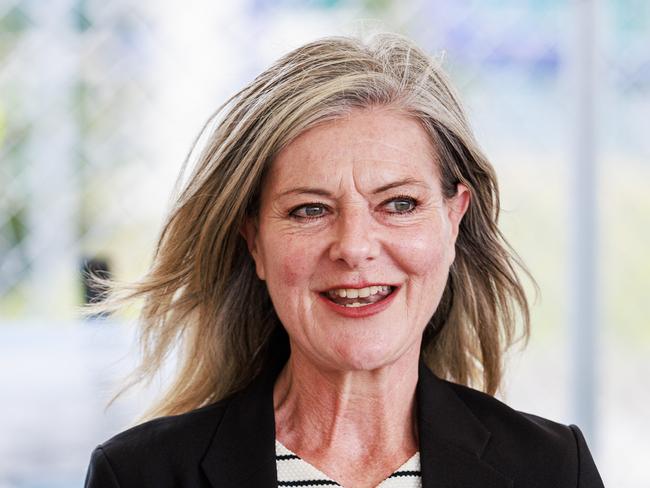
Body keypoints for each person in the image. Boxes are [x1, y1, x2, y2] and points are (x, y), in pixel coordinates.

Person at [84, 33, 605, 488]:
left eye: (399, 204)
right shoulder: (137, 476)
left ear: (453, 221)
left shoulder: (555, 469)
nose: (354, 246)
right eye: (309, 210)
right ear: (255, 241)